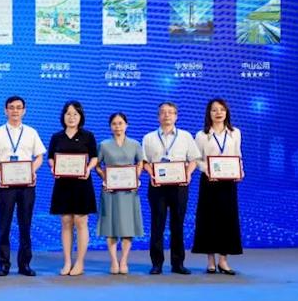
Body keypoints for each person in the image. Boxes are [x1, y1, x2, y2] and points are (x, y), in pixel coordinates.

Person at [0, 96, 45, 277]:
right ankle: (4, 264)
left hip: (26, 185)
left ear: (24, 111)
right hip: (5, 186)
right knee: (4, 225)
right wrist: (0, 175)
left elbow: (40, 157)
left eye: (19, 107)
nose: (15, 111)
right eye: (11, 107)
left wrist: (32, 171)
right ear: (5, 110)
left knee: (25, 225)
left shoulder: (31, 132)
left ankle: (24, 264)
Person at [142, 101, 200, 275]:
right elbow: (144, 162)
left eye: (170, 112)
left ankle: (178, 263)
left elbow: (194, 159)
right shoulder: (149, 138)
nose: (166, 115)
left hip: (179, 186)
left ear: (176, 116)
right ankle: (157, 263)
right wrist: (151, 174)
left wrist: (188, 174)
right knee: (157, 224)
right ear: (158, 116)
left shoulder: (186, 136)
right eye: (163, 112)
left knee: (178, 224)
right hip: (157, 186)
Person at [192, 98, 244, 275]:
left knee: (227, 219)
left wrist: (240, 171)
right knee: (209, 219)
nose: (218, 113)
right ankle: (210, 261)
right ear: (209, 113)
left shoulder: (235, 133)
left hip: (228, 182)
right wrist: (207, 170)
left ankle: (223, 260)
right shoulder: (201, 135)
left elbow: (237, 155)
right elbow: (197, 159)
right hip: (209, 182)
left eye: (222, 109)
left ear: (226, 112)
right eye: (214, 110)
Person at [48, 100, 99, 276]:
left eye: (75, 114)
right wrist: (53, 167)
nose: (71, 117)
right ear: (63, 116)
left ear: (80, 116)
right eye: (68, 114)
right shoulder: (57, 137)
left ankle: (80, 262)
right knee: (66, 221)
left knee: (81, 221)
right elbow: (51, 157)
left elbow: (94, 157)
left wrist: (88, 168)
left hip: (82, 183)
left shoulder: (88, 136)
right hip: (63, 184)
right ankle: (67, 261)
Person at [96, 112, 145, 275]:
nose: (118, 126)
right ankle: (113, 261)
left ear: (126, 125)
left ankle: (123, 260)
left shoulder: (135, 144)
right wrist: (104, 176)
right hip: (110, 191)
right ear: (110, 126)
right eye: (114, 124)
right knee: (110, 226)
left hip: (129, 192)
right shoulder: (103, 145)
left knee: (127, 226)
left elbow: (140, 162)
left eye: (120, 123)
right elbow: (97, 165)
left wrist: (135, 177)